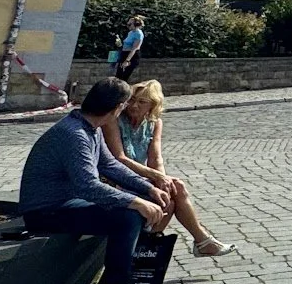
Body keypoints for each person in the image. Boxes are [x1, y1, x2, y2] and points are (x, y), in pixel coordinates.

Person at [18, 79, 169, 284]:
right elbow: (87, 185)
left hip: (66, 203)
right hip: (45, 211)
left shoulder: (90, 128)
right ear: (116, 107)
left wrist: (148, 189)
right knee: (127, 216)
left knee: (140, 206)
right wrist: (135, 201)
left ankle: (134, 278)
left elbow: (109, 165)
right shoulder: (74, 134)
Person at [101, 80, 237, 258]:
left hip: (140, 177)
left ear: (153, 105)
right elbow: (119, 159)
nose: (134, 106)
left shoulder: (154, 122)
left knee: (173, 191)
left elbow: (155, 158)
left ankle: (147, 248)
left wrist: (162, 180)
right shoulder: (115, 120)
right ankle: (201, 242)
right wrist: (156, 177)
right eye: (132, 100)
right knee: (172, 195)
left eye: (142, 102)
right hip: (118, 178)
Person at [114, 16, 146, 82]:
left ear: (136, 25)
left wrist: (127, 61)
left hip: (131, 56)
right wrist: (119, 44)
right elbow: (126, 45)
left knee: (123, 78)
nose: (128, 26)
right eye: (127, 24)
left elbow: (135, 48)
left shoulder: (139, 34)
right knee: (118, 76)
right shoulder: (130, 33)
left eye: (129, 24)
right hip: (124, 54)